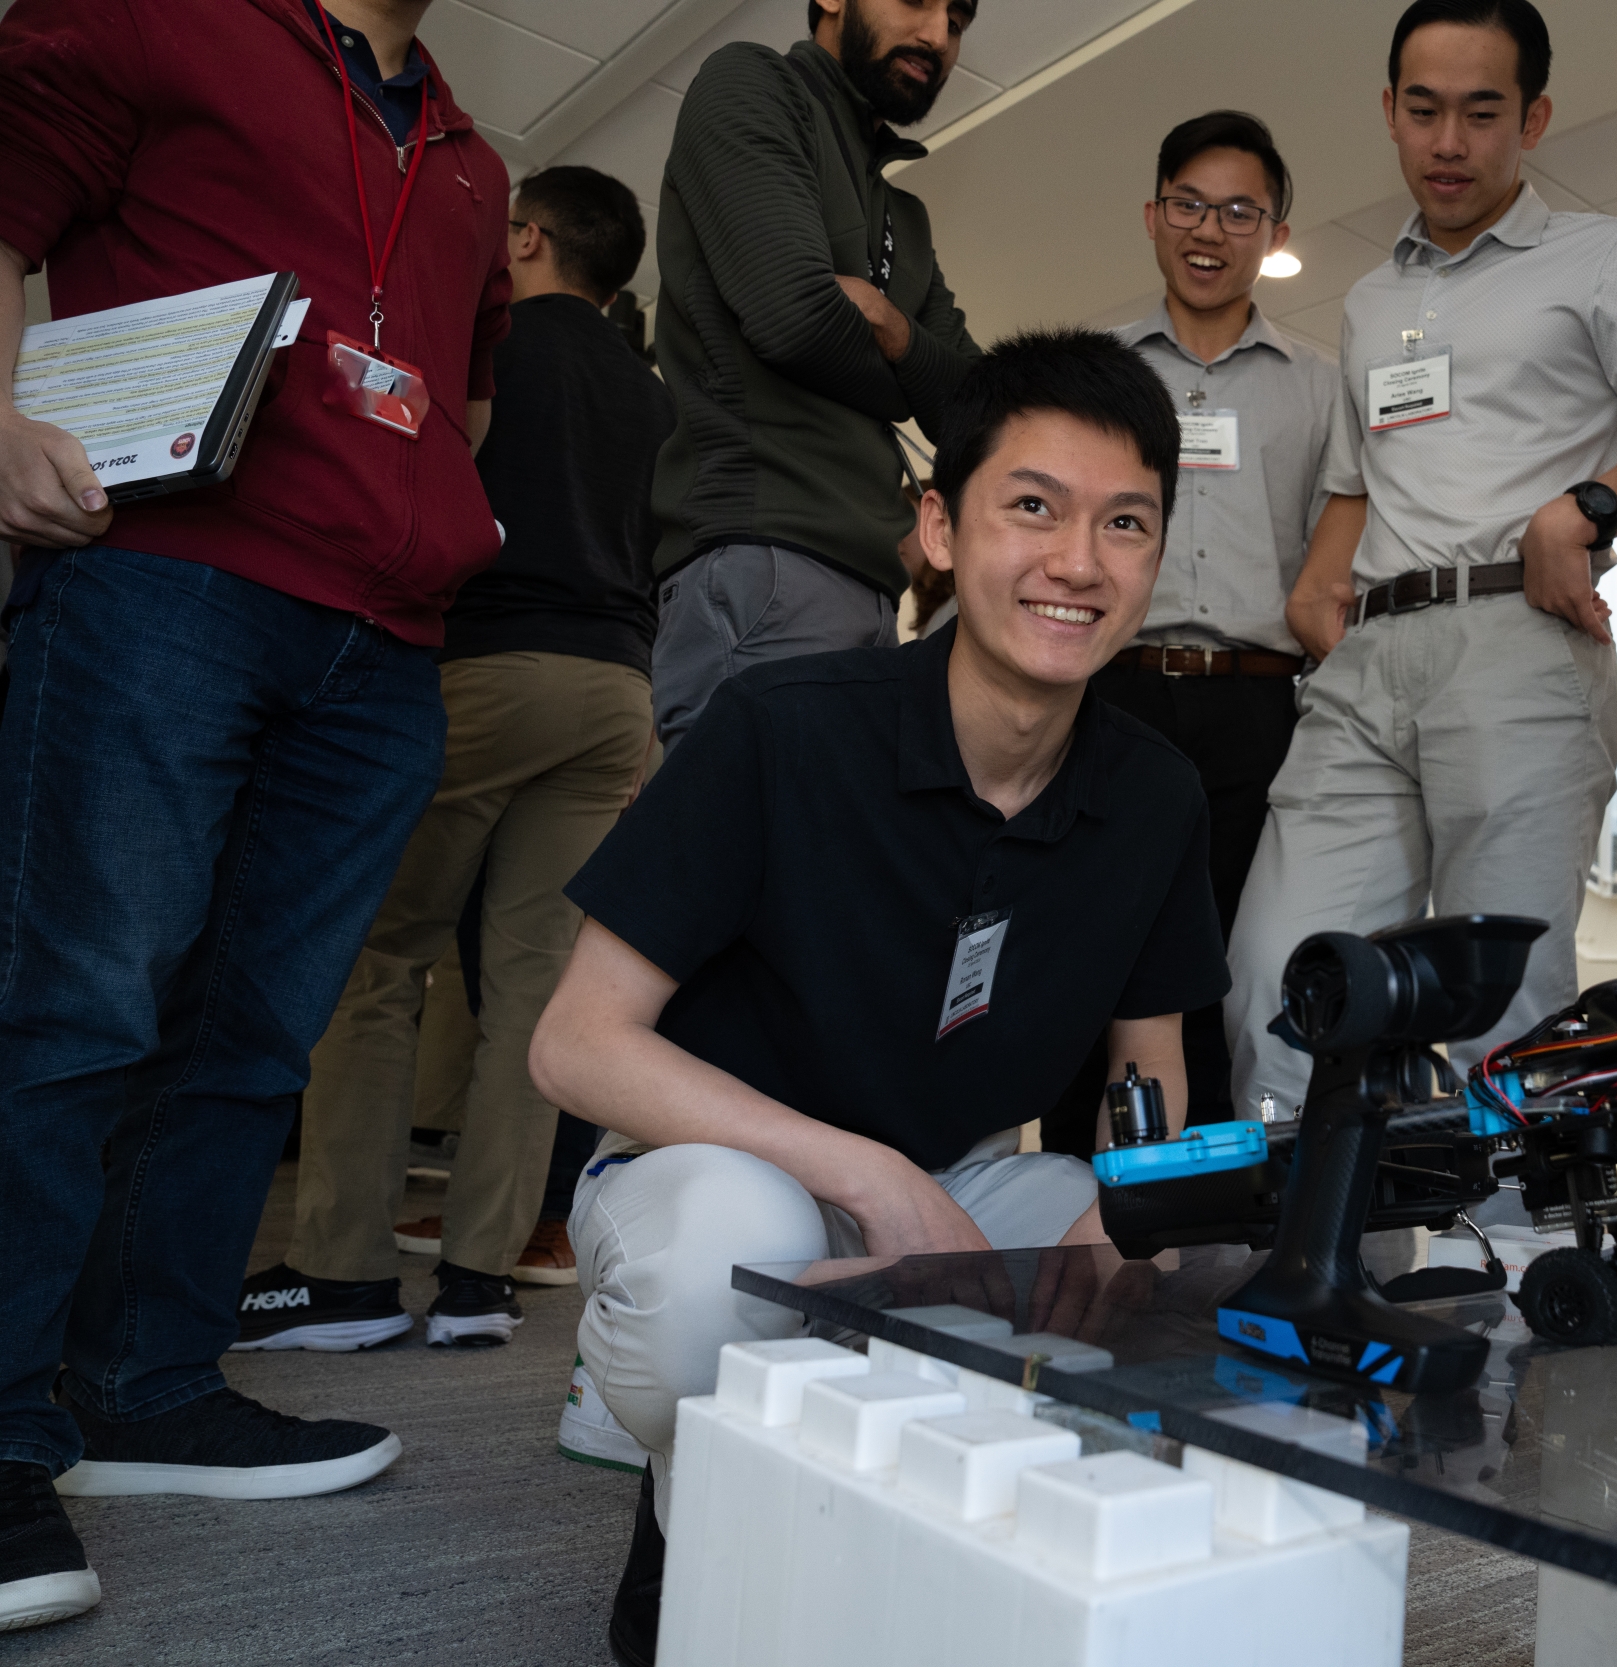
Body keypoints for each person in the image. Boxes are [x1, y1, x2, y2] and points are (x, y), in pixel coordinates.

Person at [526, 329, 1225, 1667]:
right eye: (1032, 505)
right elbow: (575, 1042)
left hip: (964, 1178)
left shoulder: (1154, 793)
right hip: (715, 1164)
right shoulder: (781, 727)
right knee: (712, 1265)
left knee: (1168, 1279)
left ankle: (911, 1561)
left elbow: (1154, 1074)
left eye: (1124, 521)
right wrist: (873, 1175)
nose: (1079, 560)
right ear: (939, 529)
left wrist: (1123, 1224)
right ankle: (694, 1513)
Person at [0, 0, 511, 1632]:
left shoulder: (472, 160)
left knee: (249, 1039)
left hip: (382, 649)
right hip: (166, 583)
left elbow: (460, 389)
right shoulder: (161, 20)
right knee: (73, 1006)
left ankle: (143, 1384)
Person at [1225, 0, 1617, 1116]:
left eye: (1480, 112)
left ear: (1532, 119)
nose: (1448, 142)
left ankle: (1509, 1285)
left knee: (1508, 1011)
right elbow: (1358, 485)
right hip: (1364, 668)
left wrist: (1582, 509)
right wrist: (1314, 592)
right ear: (1390, 116)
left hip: (1515, 646)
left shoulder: (1606, 256)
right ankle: (1317, 1270)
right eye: (1423, 110)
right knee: (1278, 971)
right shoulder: (1367, 300)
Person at [235, 165, 675, 1354]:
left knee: (377, 958)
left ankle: (342, 1273)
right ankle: (480, 1278)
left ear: (524, 238)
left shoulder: (488, 346)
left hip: (485, 664)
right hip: (612, 689)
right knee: (533, 991)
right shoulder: (649, 389)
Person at [1070, 109, 1359, 1127]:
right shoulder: (1093, 373)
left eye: (1241, 211)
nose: (1211, 229)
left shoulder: (1323, 390)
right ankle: (1073, 1202)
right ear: (1153, 216)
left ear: (1275, 233)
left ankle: (1220, 1214)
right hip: (1108, 694)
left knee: (1234, 959)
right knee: (1088, 941)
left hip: (1257, 710)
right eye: (1189, 203)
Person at [646, 0, 983, 747]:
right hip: (762, 555)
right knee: (740, 854)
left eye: (957, 22)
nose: (937, 35)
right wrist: (911, 382)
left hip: (869, 589)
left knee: (819, 858)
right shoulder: (751, 85)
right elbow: (794, 318)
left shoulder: (907, 219)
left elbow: (979, 414)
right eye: (918, 2)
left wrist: (891, 328)